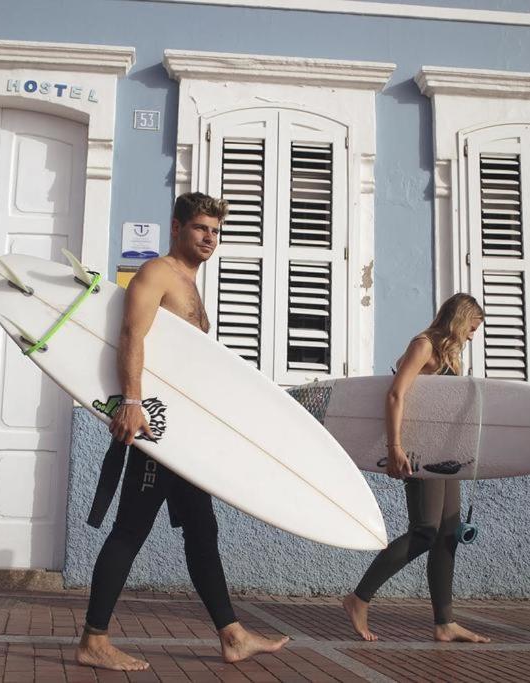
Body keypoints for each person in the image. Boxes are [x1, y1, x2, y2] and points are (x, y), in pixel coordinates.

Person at [76, 192, 289, 671]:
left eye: (215, 231)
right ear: (176, 228)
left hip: (185, 435)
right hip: (156, 429)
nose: (210, 238)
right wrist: (131, 402)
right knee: (130, 530)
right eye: (200, 228)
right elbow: (132, 337)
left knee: (202, 531)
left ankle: (232, 636)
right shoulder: (156, 274)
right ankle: (94, 639)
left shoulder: (190, 285)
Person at [342, 293, 492, 644]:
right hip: (419, 450)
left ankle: (444, 622)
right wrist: (394, 447)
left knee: (449, 532)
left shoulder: (450, 355)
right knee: (425, 529)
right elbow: (396, 394)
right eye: (472, 328)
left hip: (445, 453)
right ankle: (358, 598)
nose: (472, 336)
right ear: (459, 320)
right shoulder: (424, 346)